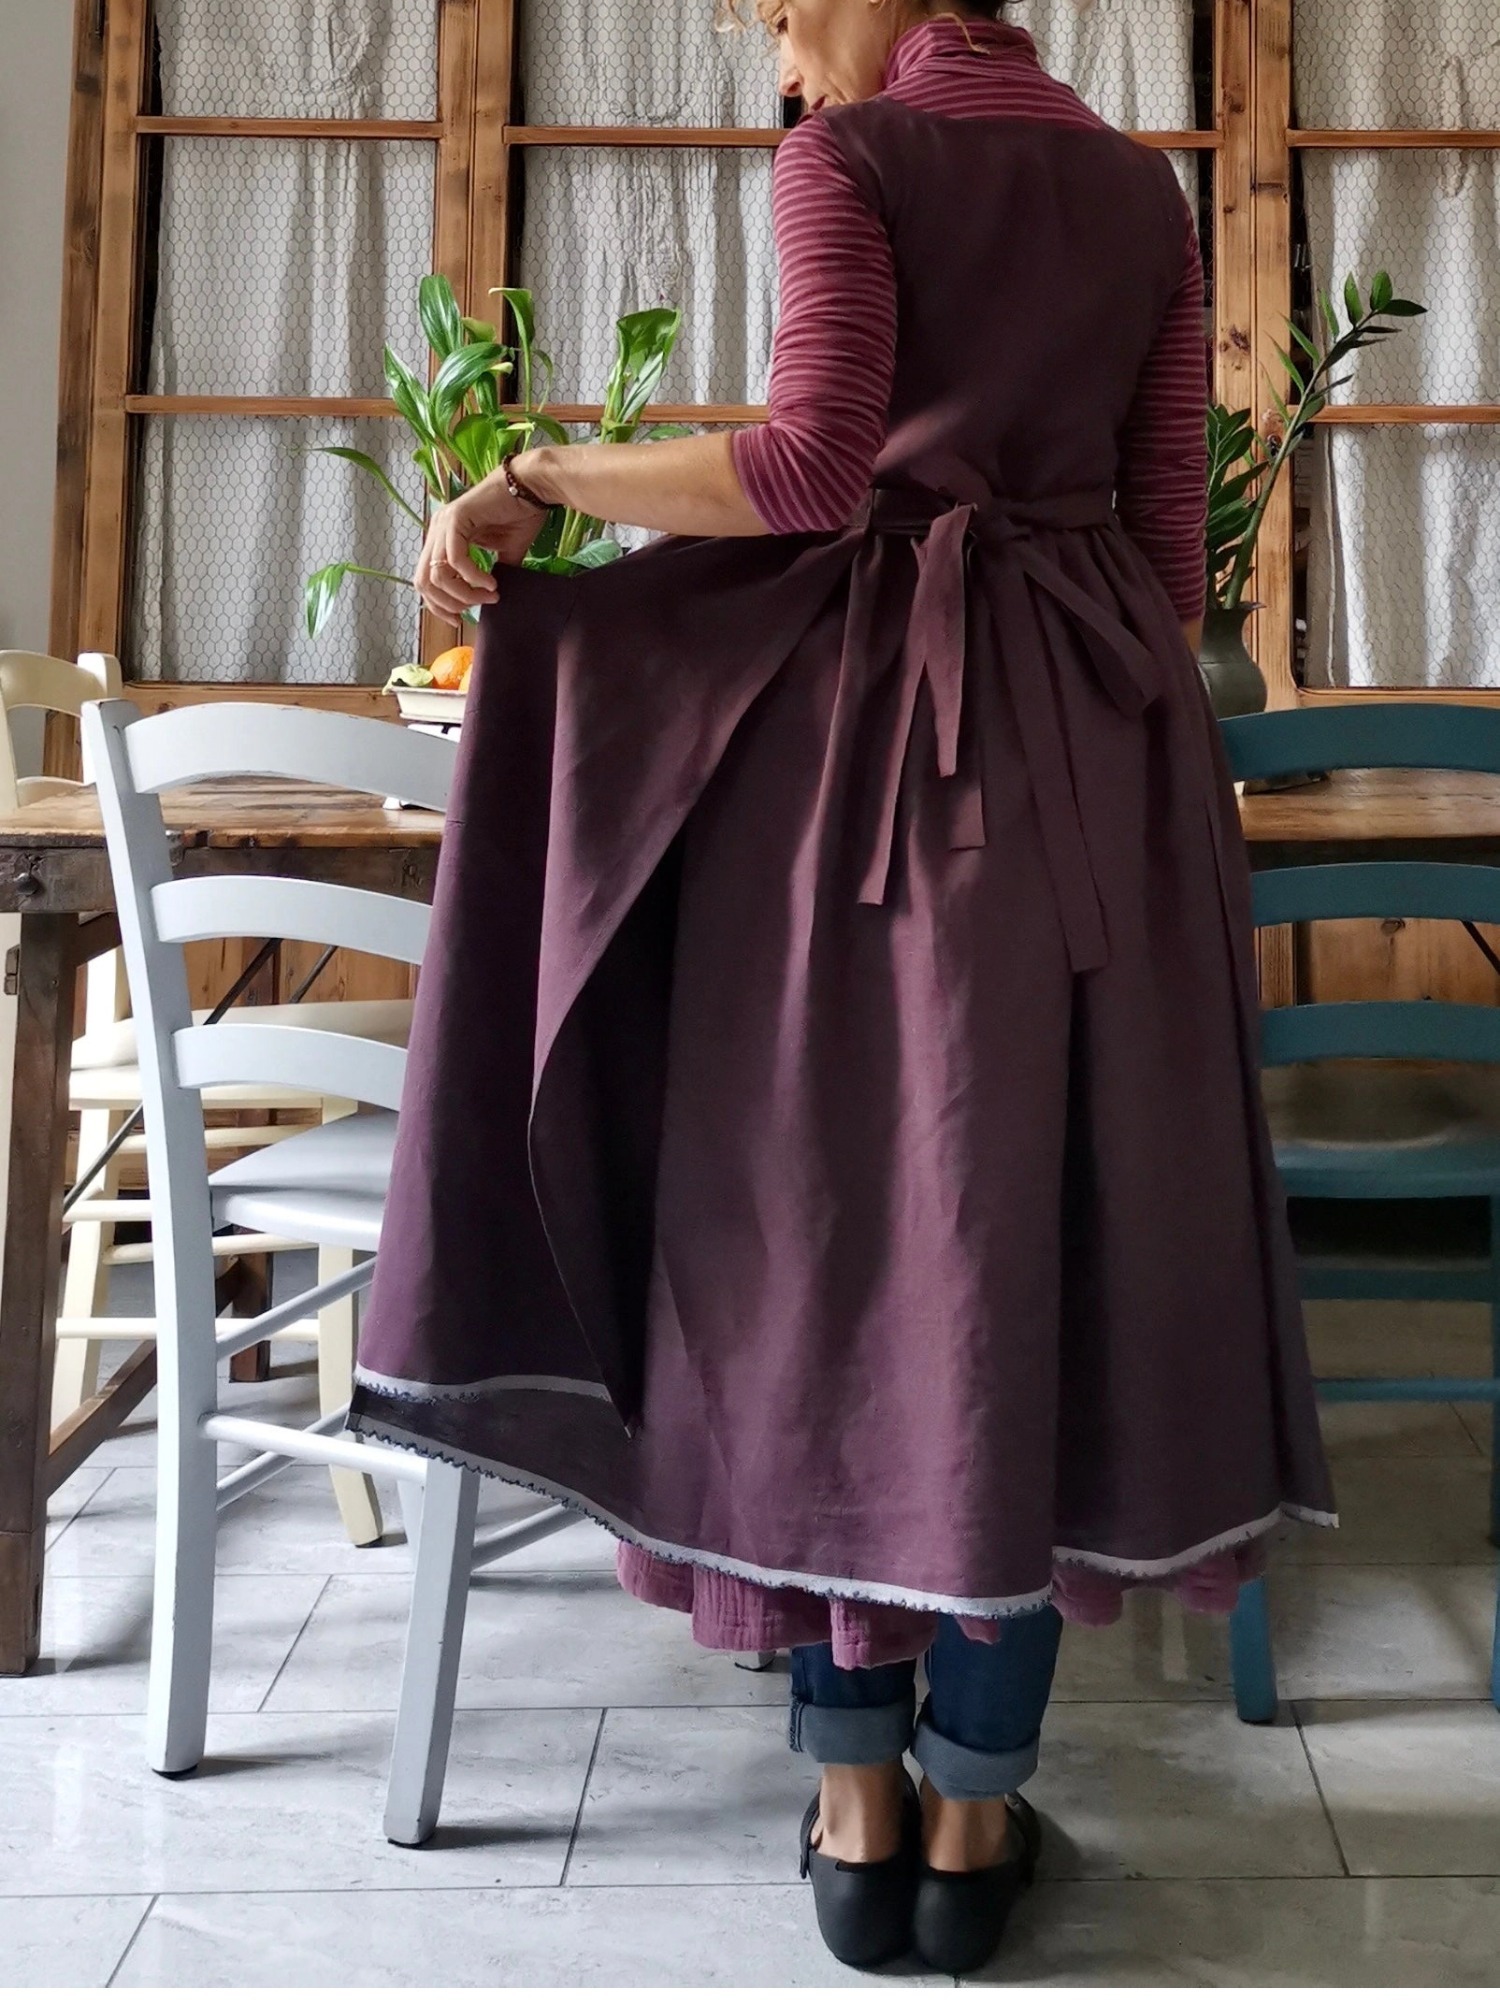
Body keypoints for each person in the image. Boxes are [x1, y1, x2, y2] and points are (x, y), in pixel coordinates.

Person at [350, 0, 1335, 1974]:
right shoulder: (1140, 194)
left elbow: (808, 469)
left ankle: (858, 1800)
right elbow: (1166, 560)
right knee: (1034, 1263)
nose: (769, 35)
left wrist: (542, 471)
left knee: (830, 1267)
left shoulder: (850, 161)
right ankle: (977, 1815)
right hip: (1104, 779)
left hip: (875, 787)